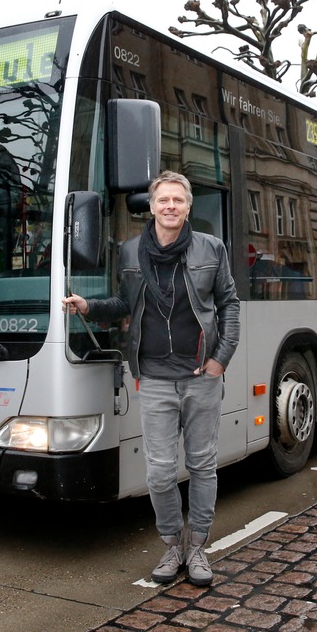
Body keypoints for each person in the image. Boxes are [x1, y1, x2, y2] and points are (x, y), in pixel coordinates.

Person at [62, 171, 240, 587]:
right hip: (155, 377)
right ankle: (171, 545)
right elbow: (126, 303)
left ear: (188, 205)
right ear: (153, 205)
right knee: (160, 472)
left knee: (201, 466)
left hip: (201, 377)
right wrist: (89, 306)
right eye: (164, 200)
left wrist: (221, 359)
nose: (171, 206)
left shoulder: (211, 248)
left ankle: (197, 546)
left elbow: (229, 302)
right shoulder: (129, 252)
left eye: (179, 200)